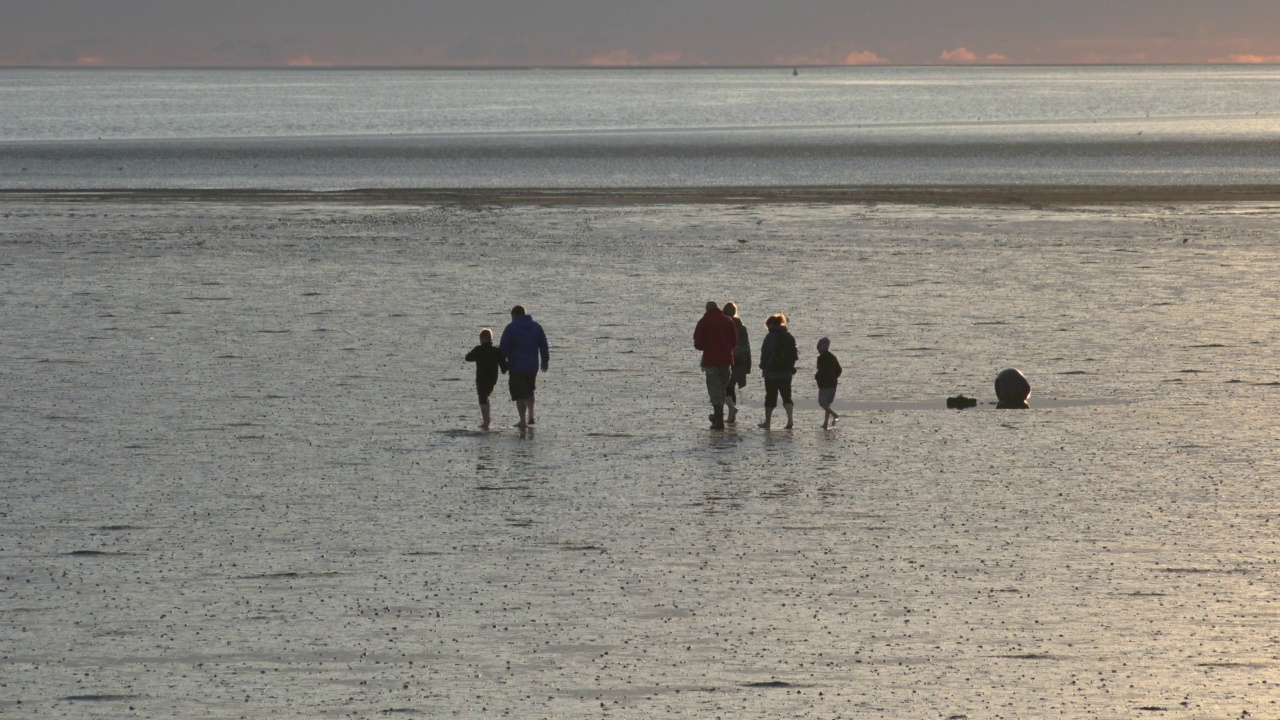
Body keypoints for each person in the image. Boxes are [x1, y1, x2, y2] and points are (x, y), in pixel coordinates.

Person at [498, 305, 550, 428]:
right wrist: (545, 360)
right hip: (532, 366)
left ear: (514, 315)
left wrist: (502, 364)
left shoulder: (511, 328)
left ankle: (522, 420)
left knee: (519, 394)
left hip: (516, 365)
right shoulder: (536, 327)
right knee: (529, 389)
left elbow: (503, 348)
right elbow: (544, 344)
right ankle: (531, 415)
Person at [693, 300, 738, 430]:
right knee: (721, 389)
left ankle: (718, 421)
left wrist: (707, 347)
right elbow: (734, 342)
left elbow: (698, 342)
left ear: (707, 309)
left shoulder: (704, 321)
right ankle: (717, 418)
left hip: (711, 361)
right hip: (726, 361)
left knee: (714, 391)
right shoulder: (728, 321)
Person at [758, 313, 797, 430]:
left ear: (770, 325)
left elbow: (765, 353)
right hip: (787, 372)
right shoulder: (789, 336)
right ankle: (790, 420)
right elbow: (794, 355)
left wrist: (763, 366)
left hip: (772, 372)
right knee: (787, 396)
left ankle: (767, 422)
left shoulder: (770, 337)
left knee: (770, 397)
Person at [465, 328, 508, 430]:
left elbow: (467, 358)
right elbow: (504, 366)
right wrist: (505, 369)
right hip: (492, 377)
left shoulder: (478, 349)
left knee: (482, 398)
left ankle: (486, 421)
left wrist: (474, 352)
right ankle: (487, 420)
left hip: (481, 377)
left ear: (481, 338)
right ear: (490, 338)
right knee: (486, 396)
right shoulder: (496, 351)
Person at [723, 302, 751, 425]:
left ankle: (731, 410)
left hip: (727, 359)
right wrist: (748, 364)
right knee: (731, 386)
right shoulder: (742, 326)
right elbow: (747, 346)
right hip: (741, 360)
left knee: (724, 387)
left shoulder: (723, 324)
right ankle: (731, 414)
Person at [815, 337, 842, 429]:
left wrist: (817, 378)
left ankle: (834, 415)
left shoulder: (821, 358)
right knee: (827, 404)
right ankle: (825, 423)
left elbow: (821, 370)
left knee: (822, 403)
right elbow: (839, 369)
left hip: (824, 384)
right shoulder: (833, 357)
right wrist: (834, 377)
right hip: (833, 383)